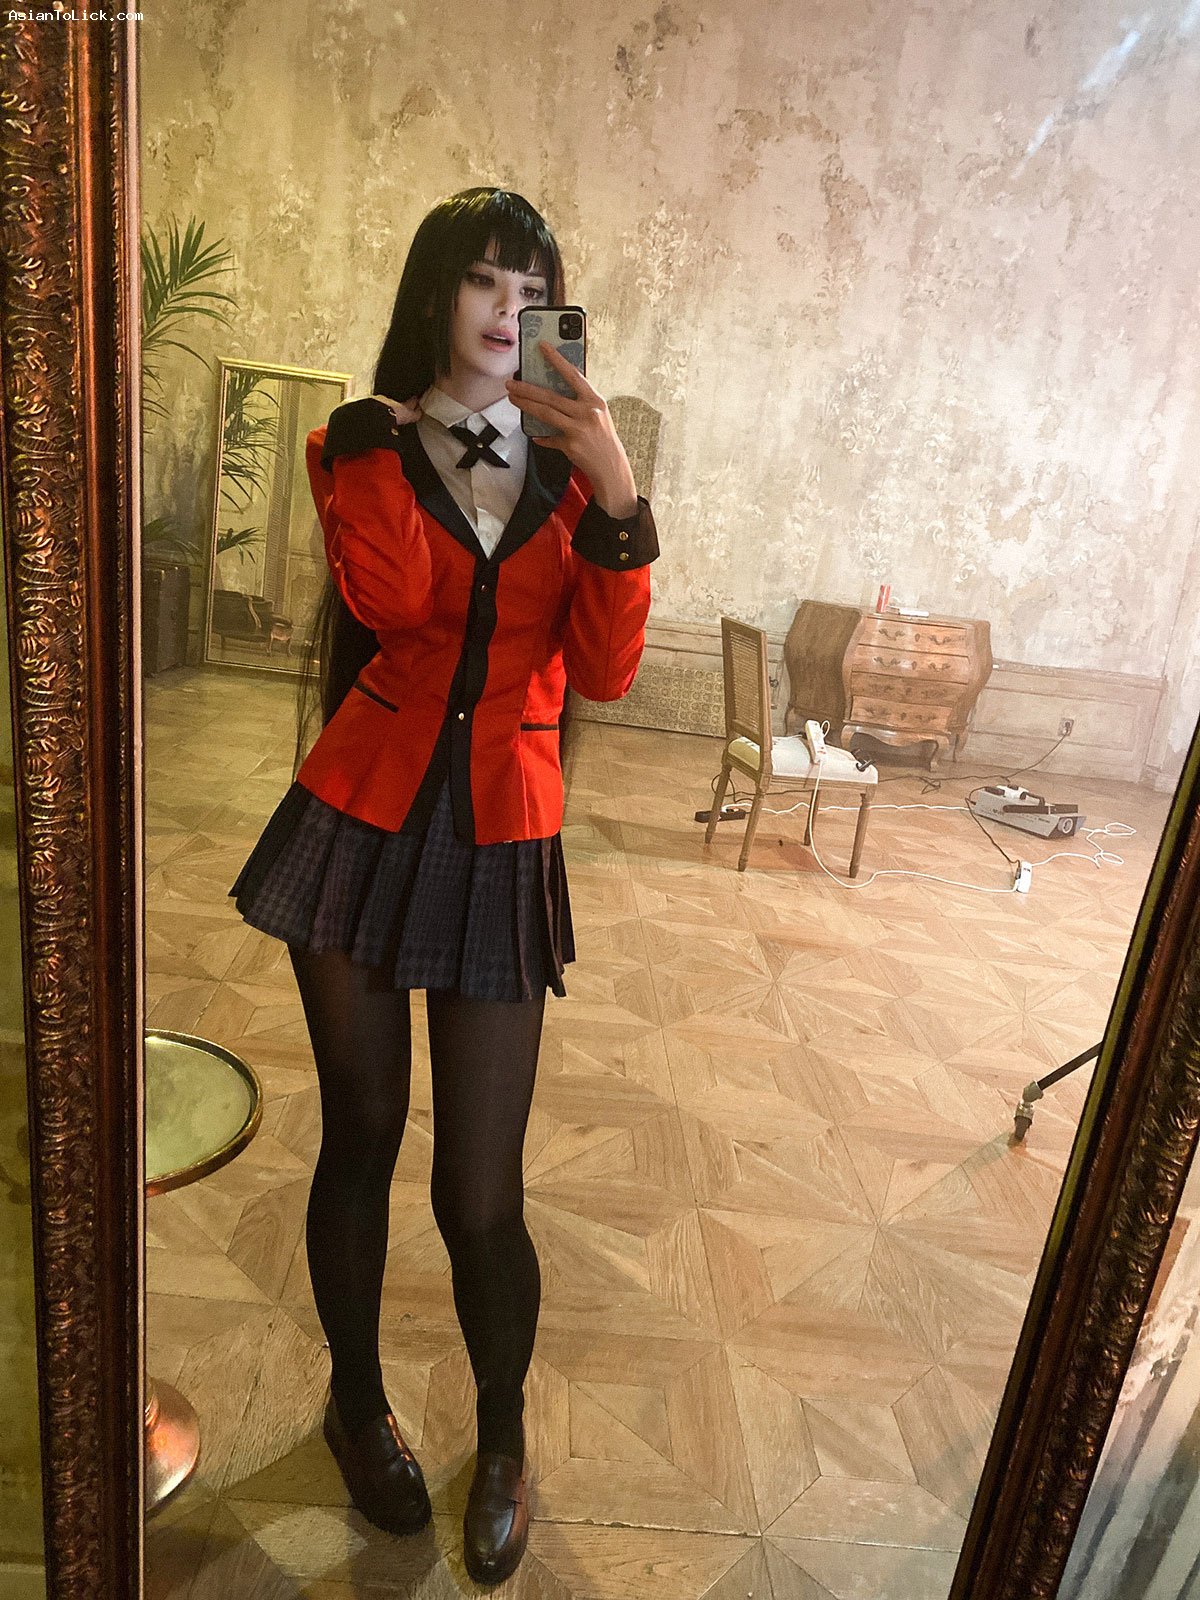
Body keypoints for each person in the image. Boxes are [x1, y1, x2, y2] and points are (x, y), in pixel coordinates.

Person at [227, 186, 657, 1585]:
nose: (506, 313)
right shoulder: (361, 446)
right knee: (361, 1135)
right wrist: (385, 443)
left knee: (481, 1190)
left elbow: (604, 674)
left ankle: (505, 1438)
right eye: (483, 282)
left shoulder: (578, 479)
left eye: (532, 293)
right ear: (436, 295)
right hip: (362, 816)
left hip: (503, 832)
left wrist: (616, 494)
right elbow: (394, 603)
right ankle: (357, 1407)